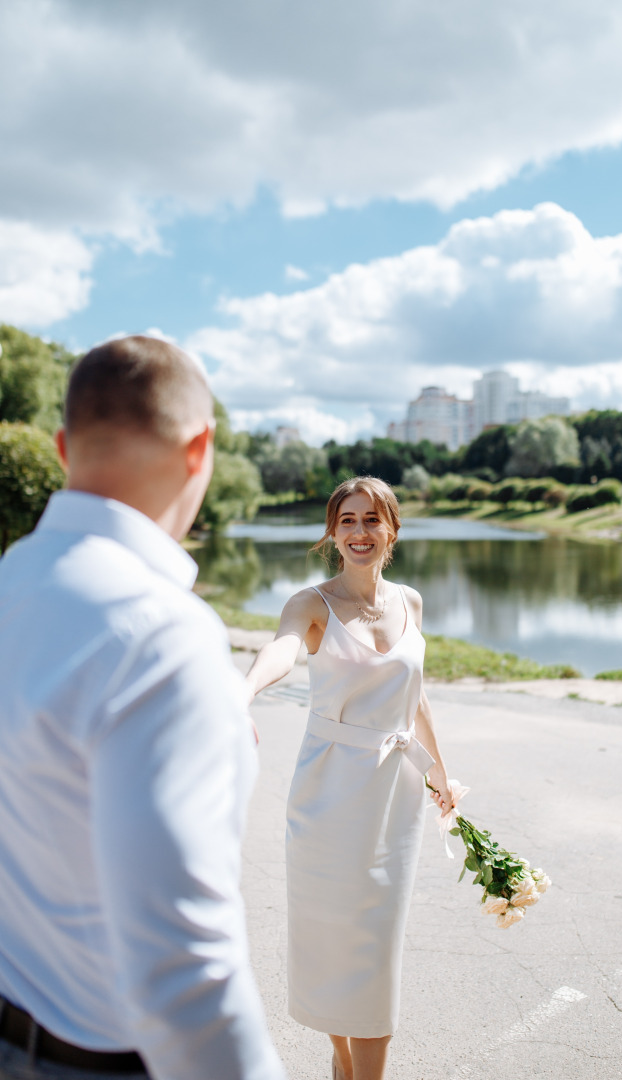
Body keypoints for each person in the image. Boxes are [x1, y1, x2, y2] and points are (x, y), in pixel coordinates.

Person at [0, 336, 284, 1080]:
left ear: (63, 447)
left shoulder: (12, 584)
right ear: (199, 450)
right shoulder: (160, 635)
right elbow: (181, 970)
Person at [245, 476, 454, 1080]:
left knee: (375, 948)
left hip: (395, 796)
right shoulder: (312, 603)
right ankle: (346, 1062)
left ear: (392, 529)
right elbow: (282, 649)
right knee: (334, 945)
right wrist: (244, 690)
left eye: (372, 520)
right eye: (347, 521)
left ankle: (354, 1069)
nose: (360, 532)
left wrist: (441, 773)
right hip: (328, 795)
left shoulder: (410, 601)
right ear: (332, 533)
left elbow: (415, 696)